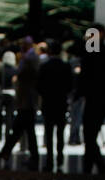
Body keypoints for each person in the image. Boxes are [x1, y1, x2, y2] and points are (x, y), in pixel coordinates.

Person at [79, 25, 105, 180]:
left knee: (89, 138)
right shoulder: (104, 52)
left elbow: (85, 75)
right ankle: (88, 175)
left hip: (95, 100)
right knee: (90, 138)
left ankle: (99, 173)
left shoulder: (95, 52)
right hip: (100, 100)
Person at [37, 41, 72, 169]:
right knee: (60, 132)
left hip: (48, 102)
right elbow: (70, 85)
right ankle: (60, 156)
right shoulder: (66, 66)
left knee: (49, 132)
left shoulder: (45, 66)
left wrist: (46, 94)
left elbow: (39, 85)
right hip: (61, 102)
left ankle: (50, 158)